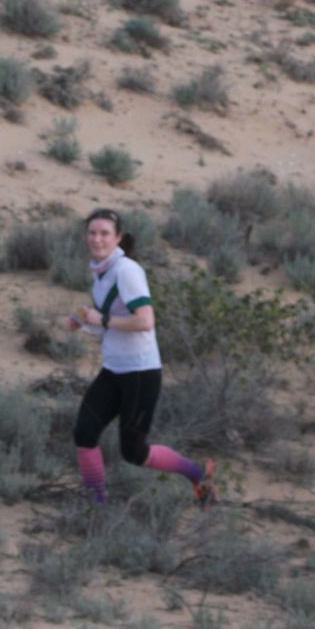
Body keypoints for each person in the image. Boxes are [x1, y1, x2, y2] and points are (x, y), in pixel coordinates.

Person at [62, 208, 215, 507]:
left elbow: (145, 321)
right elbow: (110, 322)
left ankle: (198, 473)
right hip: (113, 369)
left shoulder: (127, 270)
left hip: (140, 373)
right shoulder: (100, 273)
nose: (97, 239)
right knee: (84, 433)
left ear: (118, 238)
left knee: (134, 451)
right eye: (92, 233)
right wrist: (84, 320)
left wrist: (101, 319)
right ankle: (96, 506)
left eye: (104, 233)